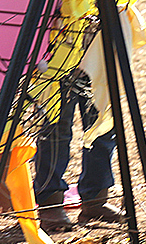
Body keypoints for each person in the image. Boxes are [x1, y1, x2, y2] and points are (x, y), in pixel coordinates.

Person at [34, 68, 125, 232]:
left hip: (98, 49)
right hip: (61, 52)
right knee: (55, 125)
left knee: (101, 123)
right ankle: (50, 203)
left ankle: (96, 200)